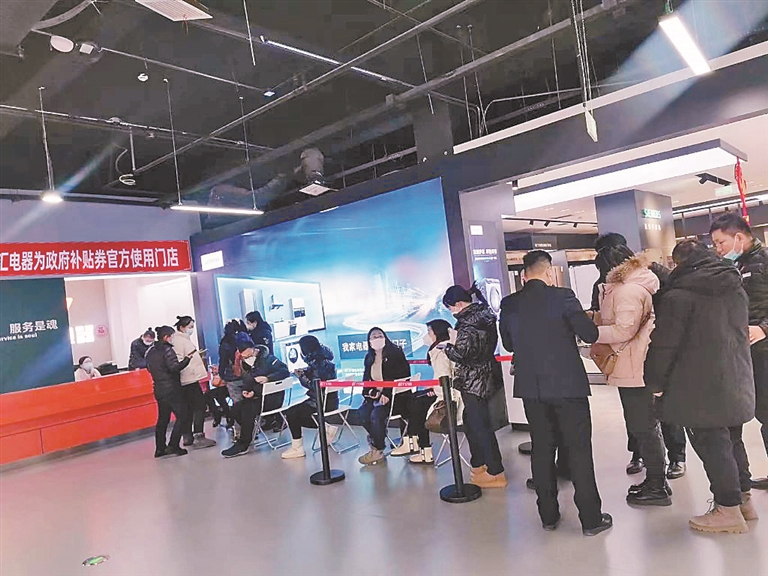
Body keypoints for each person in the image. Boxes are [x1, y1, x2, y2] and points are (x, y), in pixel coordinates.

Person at [645, 240, 756, 533]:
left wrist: (655, 382)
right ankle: (744, 502)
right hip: (735, 376)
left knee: (712, 445)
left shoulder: (678, 297)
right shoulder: (735, 287)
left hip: (698, 386)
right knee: (733, 440)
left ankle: (727, 510)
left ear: (679, 264)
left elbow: (664, 345)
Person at [499, 251, 611, 536]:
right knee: (579, 450)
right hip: (568, 386)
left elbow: (509, 344)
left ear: (523, 276)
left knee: (541, 448)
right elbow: (589, 334)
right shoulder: (563, 296)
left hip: (532, 389)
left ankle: (548, 516)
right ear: (549, 273)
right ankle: (591, 519)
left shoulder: (509, 303)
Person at [591, 233, 687, 479]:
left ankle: (676, 456)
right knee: (635, 412)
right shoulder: (604, 282)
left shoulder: (652, 274)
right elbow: (601, 312)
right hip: (628, 354)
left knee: (663, 408)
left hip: (655, 348)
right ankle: (640, 453)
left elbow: (672, 306)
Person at [710, 213, 768, 491]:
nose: (718, 249)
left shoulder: (764, 261)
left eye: (720, 242)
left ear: (739, 237)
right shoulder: (735, 266)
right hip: (745, 353)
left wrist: (764, 328)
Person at [441, 284, 506, 488]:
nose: (451, 311)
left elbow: (462, 353)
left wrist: (447, 348)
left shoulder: (467, 323)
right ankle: (480, 463)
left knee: (480, 426)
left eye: (450, 307)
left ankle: (496, 472)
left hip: (472, 380)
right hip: (486, 376)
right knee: (473, 421)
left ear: (458, 304)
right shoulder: (484, 315)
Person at [222, 335, 290, 458]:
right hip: (257, 396)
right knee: (236, 409)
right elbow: (249, 381)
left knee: (248, 409)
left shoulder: (269, 359)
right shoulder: (246, 363)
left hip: (272, 398)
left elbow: (284, 371)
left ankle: (243, 443)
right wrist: (247, 391)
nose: (245, 358)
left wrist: (268, 378)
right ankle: (250, 431)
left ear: (252, 349)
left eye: (246, 355)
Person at [408, 319, 461, 465]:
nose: (427, 335)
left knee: (417, 405)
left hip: (447, 398)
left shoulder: (440, 351)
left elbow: (444, 377)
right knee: (416, 400)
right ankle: (416, 444)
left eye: (429, 331)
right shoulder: (445, 348)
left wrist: (435, 390)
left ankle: (419, 446)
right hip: (446, 392)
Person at [356, 327, 411, 466]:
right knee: (362, 413)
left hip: (396, 398)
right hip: (376, 397)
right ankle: (378, 437)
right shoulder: (369, 358)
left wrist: (387, 393)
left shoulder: (395, 353)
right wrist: (371, 394)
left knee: (376, 415)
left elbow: (403, 376)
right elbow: (366, 381)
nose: (377, 338)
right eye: (373, 336)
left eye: (380, 335)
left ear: (385, 337)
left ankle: (377, 450)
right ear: (369, 341)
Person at [281, 335, 340, 459]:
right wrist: (306, 372)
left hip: (321, 402)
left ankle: (297, 447)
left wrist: (301, 377)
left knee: (292, 413)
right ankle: (325, 427)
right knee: (297, 413)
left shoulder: (317, 363)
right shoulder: (323, 359)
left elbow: (315, 386)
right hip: (330, 400)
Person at [146, 325, 194, 457]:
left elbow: (150, 368)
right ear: (166, 337)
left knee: (163, 419)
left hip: (159, 388)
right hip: (172, 388)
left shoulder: (150, 351)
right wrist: (187, 359)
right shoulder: (167, 350)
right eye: (172, 336)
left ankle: (160, 448)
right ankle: (174, 445)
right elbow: (174, 367)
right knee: (183, 415)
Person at [172, 316, 216, 449]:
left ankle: (188, 436)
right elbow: (180, 360)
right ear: (182, 327)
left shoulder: (181, 339)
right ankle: (198, 436)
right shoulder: (179, 340)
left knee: (189, 409)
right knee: (199, 406)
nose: (191, 329)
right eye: (190, 327)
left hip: (187, 379)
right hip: (188, 379)